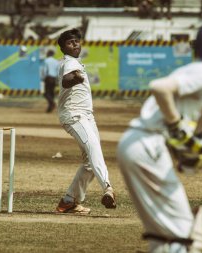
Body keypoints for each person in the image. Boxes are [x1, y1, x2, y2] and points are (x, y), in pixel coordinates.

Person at [117, 23, 202, 253]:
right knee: (182, 231)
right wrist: (176, 127)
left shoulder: (198, 69)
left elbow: (171, 116)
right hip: (147, 145)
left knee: (164, 232)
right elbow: (159, 87)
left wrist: (182, 148)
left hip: (139, 144)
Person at [55, 28, 116, 214]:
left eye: (76, 41)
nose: (74, 45)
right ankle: (108, 188)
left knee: (90, 163)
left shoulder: (76, 63)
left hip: (87, 116)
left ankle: (68, 201)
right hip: (74, 115)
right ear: (63, 48)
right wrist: (74, 78)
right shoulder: (69, 63)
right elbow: (66, 80)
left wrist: (77, 76)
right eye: (69, 43)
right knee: (94, 149)